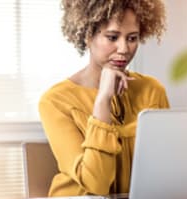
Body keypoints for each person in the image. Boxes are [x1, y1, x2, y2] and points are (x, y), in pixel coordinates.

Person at [38, 0, 169, 196]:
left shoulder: (152, 90)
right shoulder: (55, 101)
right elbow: (96, 185)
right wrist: (103, 100)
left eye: (132, 38)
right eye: (113, 37)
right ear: (88, 35)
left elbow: (167, 167)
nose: (124, 49)